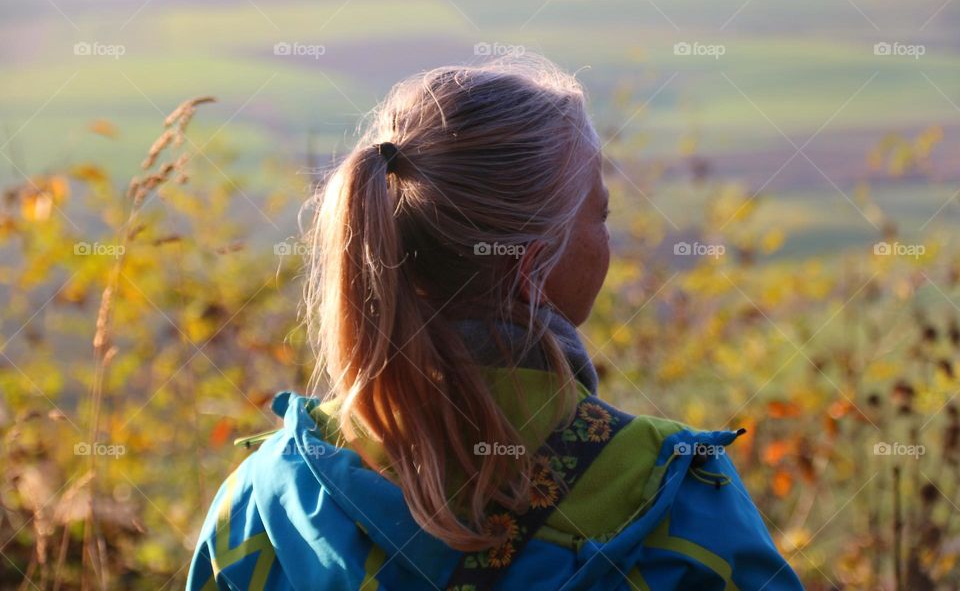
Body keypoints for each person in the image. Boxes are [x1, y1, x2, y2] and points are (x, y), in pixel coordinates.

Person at [187, 53, 804, 590]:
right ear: (533, 268)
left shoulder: (267, 505)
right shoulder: (679, 503)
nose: (607, 239)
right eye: (601, 214)